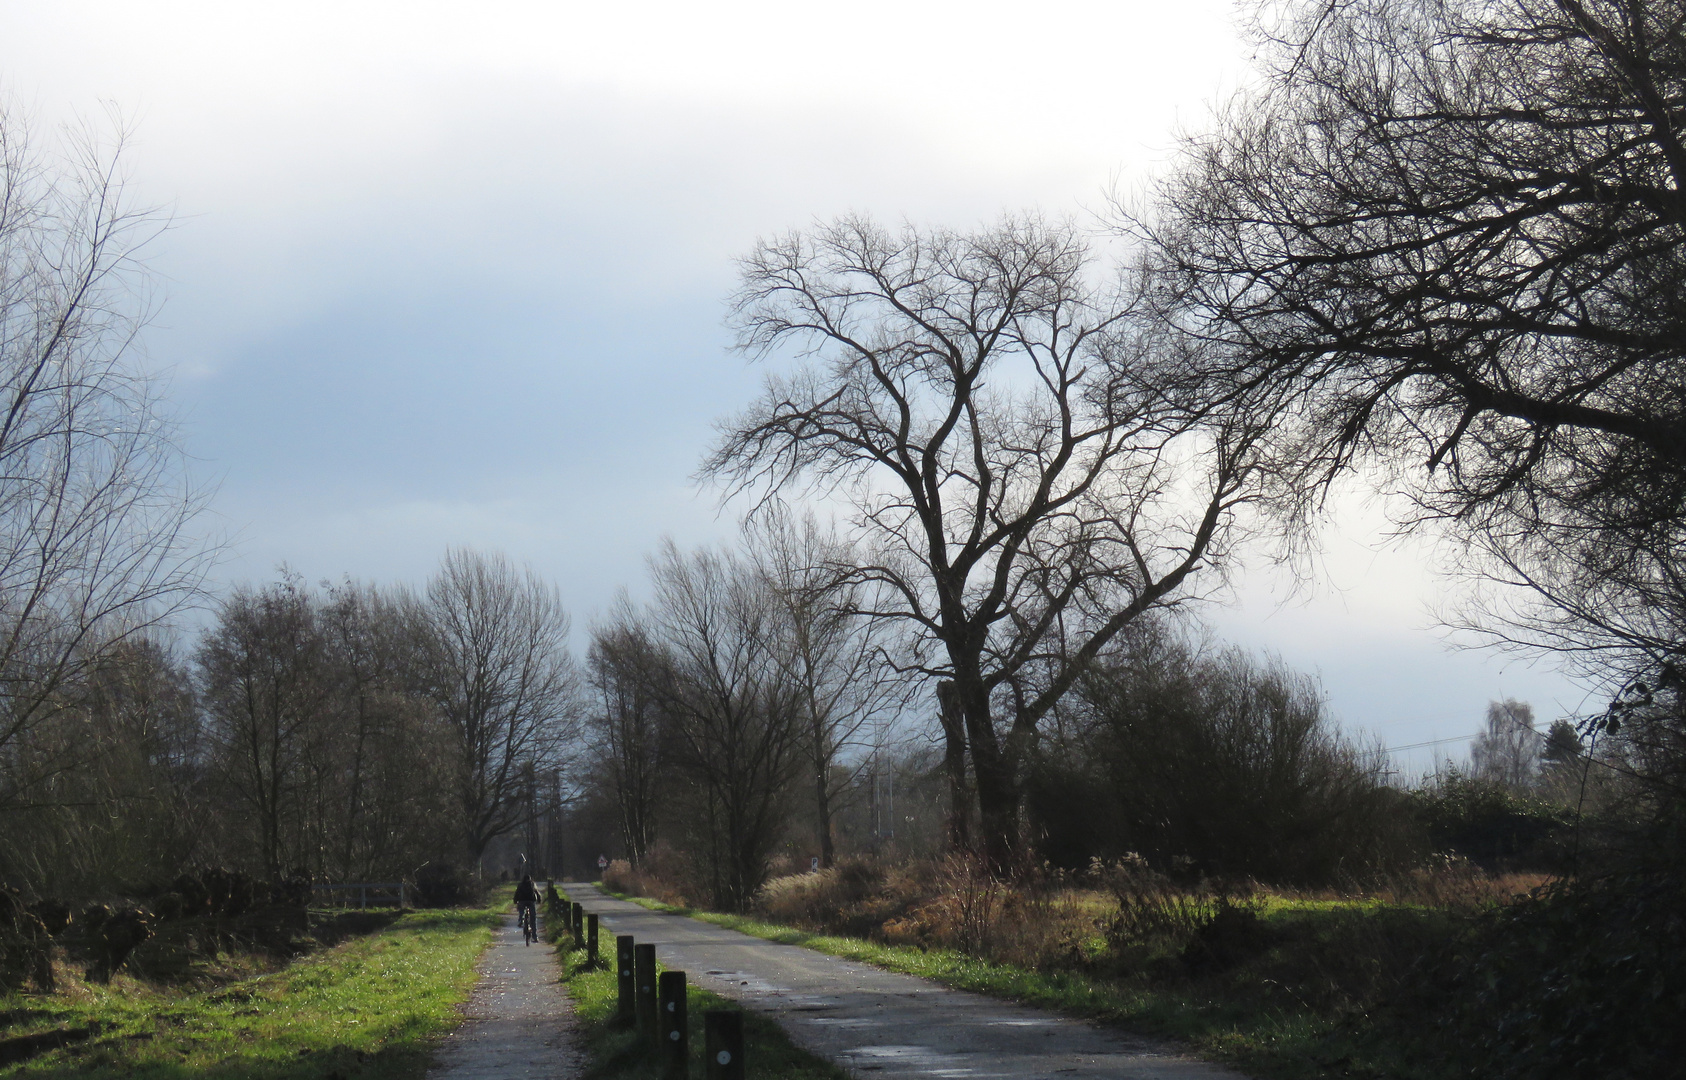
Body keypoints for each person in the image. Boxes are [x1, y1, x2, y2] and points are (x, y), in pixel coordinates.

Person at [513, 874, 539, 942]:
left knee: (521, 910)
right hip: (531, 901)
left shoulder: (520, 885)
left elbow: (517, 893)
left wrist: (515, 901)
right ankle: (535, 936)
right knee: (533, 918)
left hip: (522, 900)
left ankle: (521, 919)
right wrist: (539, 900)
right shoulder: (532, 884)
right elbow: (536, 892)